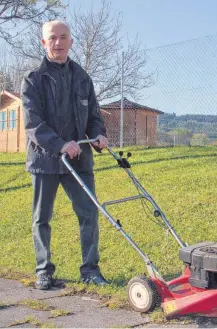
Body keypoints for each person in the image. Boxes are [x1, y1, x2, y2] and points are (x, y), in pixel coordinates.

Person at [20, 20, 109, 290]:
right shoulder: (33, 79)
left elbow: (94, 116)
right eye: (52, 38)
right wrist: (60, 144)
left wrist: (98, 135)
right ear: (44, 42)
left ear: (71, 41)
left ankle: (90, 269)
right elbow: (33, 125)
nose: (58, 42)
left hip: (79, 159)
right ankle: (44, 270)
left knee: (89, 214)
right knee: (42, 218)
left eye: (63, 37)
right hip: (45, 159)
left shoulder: (82, 78)